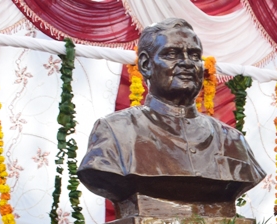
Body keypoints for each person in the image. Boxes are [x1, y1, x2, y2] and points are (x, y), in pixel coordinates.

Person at [79, 18, 265, 203]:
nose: (186, 63)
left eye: (194, 55)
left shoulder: (231, 139)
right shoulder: (115, 131)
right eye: (171, 54)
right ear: (145, 65)